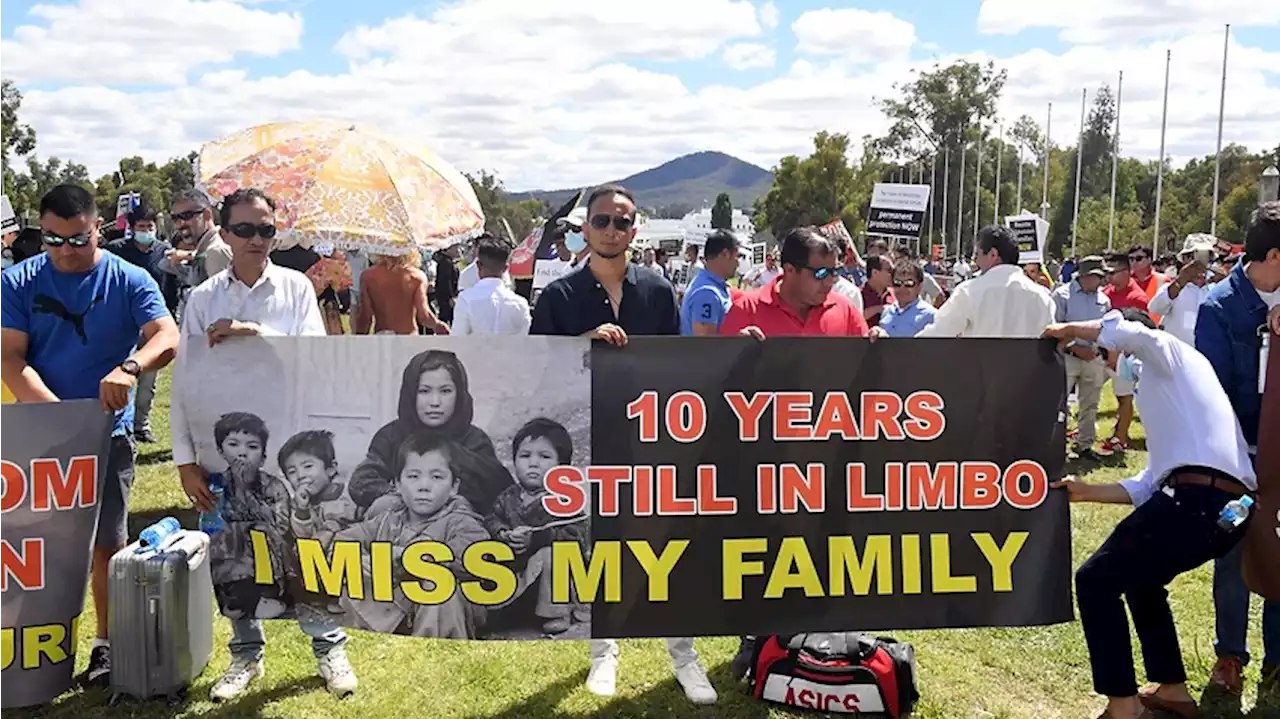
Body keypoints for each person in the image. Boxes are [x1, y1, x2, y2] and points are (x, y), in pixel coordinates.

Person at [168, 188, 357, 701]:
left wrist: (256, 332)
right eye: (246, 230)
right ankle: (245, 654)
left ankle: (329, 647)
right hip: (222, 451)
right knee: (233, 553)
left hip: (289, 442)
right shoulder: (203, 298)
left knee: (305, 548)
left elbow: (314, 358)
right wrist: (185, 461)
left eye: (267, 229)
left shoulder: (295, 289)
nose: (257, 240)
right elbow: (184, 383)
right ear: (225, 235)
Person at [530, 185, 713, 705]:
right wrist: (580, 347)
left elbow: (677, 365)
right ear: (585, 228)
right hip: (590, 441)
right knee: (603, 548)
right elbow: (537, 369)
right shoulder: (559, 297)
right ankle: (603, 651)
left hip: (652, 440)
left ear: (636, 230)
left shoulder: (657, 290)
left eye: (622, 222)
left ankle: (684, 655)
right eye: (603, 220)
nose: (613, 230)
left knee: (666, 548)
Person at [0, 184, 179, 687]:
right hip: (35, 433)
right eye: (53, 241)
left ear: (98, 228)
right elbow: (10, 357)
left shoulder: (129, 278)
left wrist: (130, 367)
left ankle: (104, 646)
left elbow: (167, 336)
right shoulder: (18, 281)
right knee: (29, 546)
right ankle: (27, 645)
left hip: (109, 435)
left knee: (107, 544)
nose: (65, 252)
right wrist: (59, 420)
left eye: (78, 240)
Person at [1046, 308, 1256, 719]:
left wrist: (1068, 329)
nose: (1107, 361)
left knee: (1095, 580)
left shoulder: (1169, 352)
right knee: (1142, 581)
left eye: (1106, 350)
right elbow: (1150, 484)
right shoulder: (1171, 388)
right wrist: (1087, 492)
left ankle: (1123, 706)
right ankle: (1172, 689)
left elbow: (1131, 334)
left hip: (1198, 500)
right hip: (1228, 511)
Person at [1196, 202, 1280, 703]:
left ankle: (1278, 661)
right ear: (1274, 254)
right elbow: (1214, 393)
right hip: (1236, 454)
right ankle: (1230, 656)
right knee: (1231, 559)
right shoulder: (1218, 307)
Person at [338, 433, 489, 638]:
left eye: (436, 477)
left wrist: (411, 558)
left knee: (438, 590)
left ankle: (432, 655)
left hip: (443, 612)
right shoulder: (388, 518)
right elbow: (345, 540)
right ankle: (371, 640)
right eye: (413, 476)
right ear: (398, 485)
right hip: (400, 606)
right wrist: (368, 561)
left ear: (454, 487)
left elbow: (473, 553)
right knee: (356, 568)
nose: (424, 486)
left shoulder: (461, 520)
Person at [346, 349, 513, 516]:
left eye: (445, 391)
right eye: (424, 391)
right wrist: (407, 496)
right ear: (411, 393)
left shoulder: (475, 440)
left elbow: (497, 490)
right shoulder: (392, 435)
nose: (435, 402)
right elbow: (361, 482)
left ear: (459, 394)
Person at [484, 418, 589, 635]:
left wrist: (536, 540)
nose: (533, 463)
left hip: (554, 575)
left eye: (544, 456)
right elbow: (492, 518)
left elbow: (576, 534)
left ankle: (557, 611)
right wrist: (503, 533)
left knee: (553, 555)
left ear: (562, 465)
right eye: (525, 456)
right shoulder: (508, 497)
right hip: (521, 569)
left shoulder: (564, 499)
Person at [105, 204, 175, 443]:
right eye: (141, 227)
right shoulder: (116, 251)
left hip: (153, 324)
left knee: (148, 380)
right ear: (132, 229)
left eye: (150, 227)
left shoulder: (165, 252)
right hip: (122, 324)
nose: (146, 231)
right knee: (121, 373)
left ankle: (141, 426)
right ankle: (114, 422)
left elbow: (171, 285)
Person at [720, 226, 869, 339]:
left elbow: (869, 368)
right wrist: (735, 352)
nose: (830, 282)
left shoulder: (846, 311)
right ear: (790, 270)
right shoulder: (746, 311)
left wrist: (881, 347)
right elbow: (718, 374)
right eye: (821, 274)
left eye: (834, 272)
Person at [918, 226, 1055, 338]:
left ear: (993, 255)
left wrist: (904, 352)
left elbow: (938, 333)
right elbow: (1051, 342)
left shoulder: (969, 291)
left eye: (977, 254)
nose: (975, 261)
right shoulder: (1043, 297)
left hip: (979, 371)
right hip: (1027, 371)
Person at [1052, 256, 1112, 460]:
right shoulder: (1062, 295)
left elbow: (1107, 328)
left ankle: (1085, 445)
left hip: (1093, 357)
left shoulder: (1104, 300)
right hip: (1068, 356)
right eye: (1098, 276)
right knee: (1059, 402)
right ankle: (1056, 444)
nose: (1101, 281)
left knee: (1091, 402)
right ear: (1085, 276)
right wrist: (1074, 347)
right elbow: (1054, 327)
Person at [1149, 235, 1222, 347]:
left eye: (1205, 255)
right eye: (1191, 256)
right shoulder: (1173, 288)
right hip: (1176, 359)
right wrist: (1180, 281)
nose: (1197, 262)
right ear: (1184, 259)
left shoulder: (1217, 290)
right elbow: (1155, 308)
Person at [452, 234, 530, 336]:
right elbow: (523, 339)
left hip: (475, 351)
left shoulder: (466, 299)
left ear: (478, 266)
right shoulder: (521, 304)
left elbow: (458, 337)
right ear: (506, 268)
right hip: (509, 352)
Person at [355, 251, 449, 335]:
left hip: (383, 337)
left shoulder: (368, 276)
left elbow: (365, 316)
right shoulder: (416, 277)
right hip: (409, 336)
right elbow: (424, 316)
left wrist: (359, 338)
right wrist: (437, 325)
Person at [681, 229, 741, 336]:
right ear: (725, 254)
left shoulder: (710, 287)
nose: (738, 263)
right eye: (737, 256)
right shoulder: (707, 294)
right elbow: (706, 347)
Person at [874, 260, 937, 337]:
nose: (902, 288)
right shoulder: (887, 312)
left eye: (908, 283)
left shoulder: (931, 316)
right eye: (897, 283)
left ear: (919, 286)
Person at [432, 244, 462, 324]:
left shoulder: (448, 262)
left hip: (448, 297)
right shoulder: (445, 263)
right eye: (454, 247)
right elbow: (446, 281)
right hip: (446, 299)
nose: (457, 249)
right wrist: (451, 297)